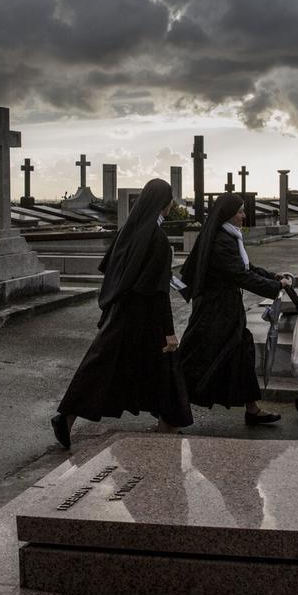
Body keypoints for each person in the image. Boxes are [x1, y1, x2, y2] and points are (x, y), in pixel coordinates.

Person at [51, 178, 192, 449]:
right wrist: (169, 332)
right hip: (146, 319)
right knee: (166, 369)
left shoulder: (129, 231)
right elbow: (158, 291)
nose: (172, 203)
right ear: (163, 203)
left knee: (101, 368)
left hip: (121, 312)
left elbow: (110, 270)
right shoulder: (158, 239)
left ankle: (66, 418)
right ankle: (169, 424)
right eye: (171, 199)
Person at [177, 193, 291, 424]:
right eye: (240, 211)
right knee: (196, 360)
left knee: (241, 354)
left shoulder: (229, 237)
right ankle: (169, 405)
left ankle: (252, 409)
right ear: (228, 214)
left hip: (226, 311)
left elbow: (245, 267)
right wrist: (274, 286)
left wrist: (272, 276)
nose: (243, 215)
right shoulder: (222, 240)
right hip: (214, 314)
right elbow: (239, 275)